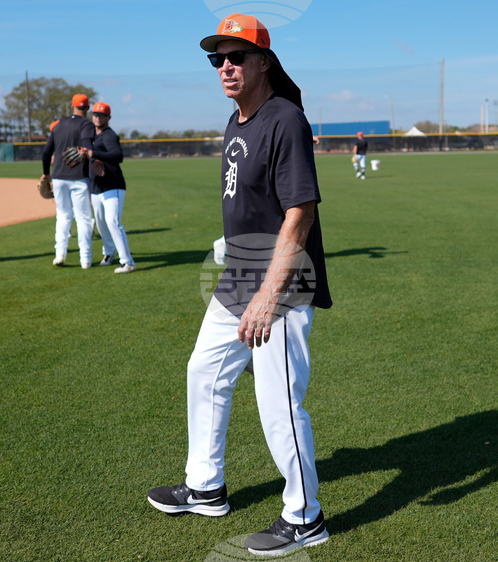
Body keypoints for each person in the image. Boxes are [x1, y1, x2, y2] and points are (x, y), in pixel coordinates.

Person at [148, 13, 332, 557]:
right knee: (204, 371)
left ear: (264, 62)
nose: (225, 67)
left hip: (280, 283)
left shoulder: (284, 120)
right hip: (238, 277)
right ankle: (205, 487)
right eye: (217, 59)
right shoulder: (238, 121)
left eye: (236, 56)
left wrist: (268, 296)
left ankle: (306, 517)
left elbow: (300, 213)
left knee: (278, 403)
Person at [42, 94, 96, 268]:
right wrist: (87, 149)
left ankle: (60, 254)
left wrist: (46, 174)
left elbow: (45, 153)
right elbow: (87, 143)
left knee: (63, 216)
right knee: (83, 219)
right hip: (79, 177)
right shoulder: (86, 124)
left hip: (58, 177)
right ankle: (85, 259)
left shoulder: (58, 125)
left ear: (71, 106)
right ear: (87, 108)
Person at [83, 102, 136, 273]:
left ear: (108, 118)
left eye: (101, 115)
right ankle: (109, 252)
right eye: (95, 114)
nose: (97, 117)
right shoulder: (94, 135)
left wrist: (94, 155)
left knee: (113, 222)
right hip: (97, 186)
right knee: (101, 223)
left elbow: (118, 156)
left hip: (113, 185)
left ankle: (127, 262)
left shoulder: (109, 135)